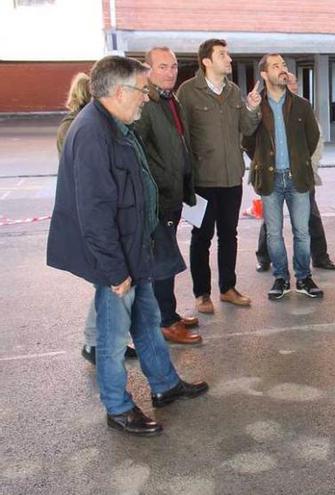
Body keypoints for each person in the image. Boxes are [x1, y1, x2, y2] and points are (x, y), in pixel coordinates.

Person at [47, 56, 208, 437]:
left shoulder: (116, 123)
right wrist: (115, 270)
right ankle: (117, 408)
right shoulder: (91, 133)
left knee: (148, 321)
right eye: (141, 90)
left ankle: (165, 385)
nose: (145, 98)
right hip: (117, 257)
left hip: (136, 247)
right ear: (119, 92)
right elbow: (94, 212)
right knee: (113, 335)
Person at [56, 72, 139, 365]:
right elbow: (93, 194)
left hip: (101, 224)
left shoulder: (93, 125)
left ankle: (97, 342)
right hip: (97, 226)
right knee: (109, 287)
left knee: (107, 289)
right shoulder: (89, 130)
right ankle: (97, 346)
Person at [177, 38, 261, 314]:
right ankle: (202, 294)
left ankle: (227, 288)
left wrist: (250, 107)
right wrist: (186, 177)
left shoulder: (234, 91)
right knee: (201, 237)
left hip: (231, 178)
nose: (229, 59)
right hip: (201, 180)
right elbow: (182, 137)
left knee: (229, 235)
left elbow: (247, 129)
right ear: (206, 61)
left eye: (228, 54)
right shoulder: (188, 92)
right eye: (222, 55)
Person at [133, 46, 201, 344]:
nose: (170, 71)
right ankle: (164, 322)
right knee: (162, 261)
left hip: (174, 194)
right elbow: (139, 154)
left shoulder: (170, 99)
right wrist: (160, 184)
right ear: (148, 70)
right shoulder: (145, 103)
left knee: (168, 257)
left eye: (173, 66)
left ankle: (170, 314)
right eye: (162, 66)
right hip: (158, 198)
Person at [243, 54, 322, 300]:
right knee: (274, 234)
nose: (282, 70)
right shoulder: (257, 106)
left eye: (284, 65)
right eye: (276, 66)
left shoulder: (301, 105)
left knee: (302, 232)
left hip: (297, 177)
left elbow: (312, 139)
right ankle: (281, 277)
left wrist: (297, 161)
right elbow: (246, 139)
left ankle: (303, 277)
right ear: (264, 74)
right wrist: (251, 111)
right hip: (270, 180)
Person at [255, 74, 335, 273]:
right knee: (271, 222)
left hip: (302, 174)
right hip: (274, 176)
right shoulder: (265, 107)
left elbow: (316, 139)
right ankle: (264, 257)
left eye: (293, 83)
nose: (290, 86)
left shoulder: (303, 107)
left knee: (311, 218)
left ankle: (319, 257)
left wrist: (309, 165)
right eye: (287, 82)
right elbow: (251, 142)